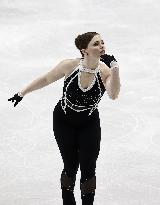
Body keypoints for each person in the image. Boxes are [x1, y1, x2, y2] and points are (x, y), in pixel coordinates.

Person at [8, 32, 121, 205]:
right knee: (70, 165)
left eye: (102, 43)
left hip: (89, 123)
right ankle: (67, 201)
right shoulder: (70, 66)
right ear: (85, 50)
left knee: (89, 168)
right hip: (64, 121)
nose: (102, 46)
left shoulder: (104, 71)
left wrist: (115, 70)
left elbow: (113, 94)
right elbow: (46, 78)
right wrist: (22, 93)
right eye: (96, 44)